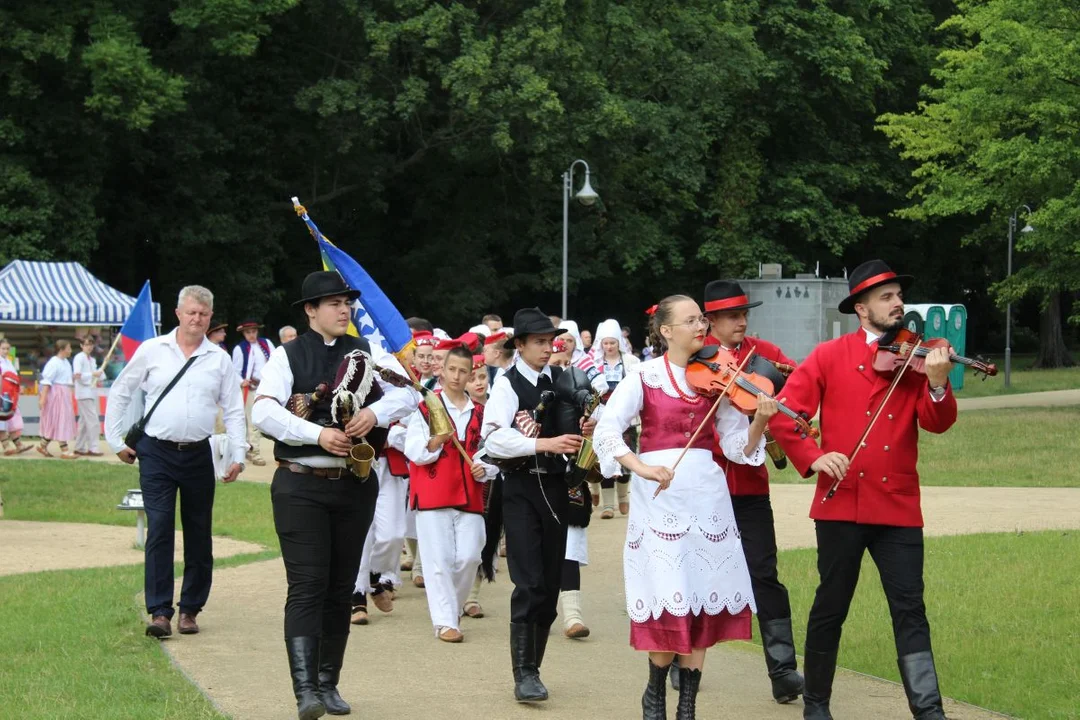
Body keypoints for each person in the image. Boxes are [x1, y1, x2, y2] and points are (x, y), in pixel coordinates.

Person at [769, 260, 957, 720]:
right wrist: (812, 456)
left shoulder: (918, 358)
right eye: (887, 297)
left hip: (898, 506)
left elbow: (937, 423)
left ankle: (929, 710)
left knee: (910, 610)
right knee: (830, 607)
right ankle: (816, 704)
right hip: (841, 505)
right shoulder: (828, 355)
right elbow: (783, 414)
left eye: (898, 295)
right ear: (861, 307)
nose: (898, 304)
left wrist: (936, 384)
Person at [593, 294, 775, 720]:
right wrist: (641, 466)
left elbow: (735, 446)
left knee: (702, 603)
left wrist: (761, 421)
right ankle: (655, 692)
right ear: (666, 330)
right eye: (691, 320)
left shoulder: (719, 378)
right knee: (669, 595)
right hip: (660, 498)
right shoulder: (644, 375)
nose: (701, 327)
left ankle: (687, 707)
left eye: (701, 320)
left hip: (707, 496)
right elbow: (607, 431)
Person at [251, 271, 417, 719]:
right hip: (300, 483)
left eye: (346, 302)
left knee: (341, 586)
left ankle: (329, 684)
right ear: (310, 310)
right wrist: (317, 435)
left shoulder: (366, 352)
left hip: (354, 483)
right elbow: (263, 409)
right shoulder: (287, 356)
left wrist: (373, 412)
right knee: (307, 585)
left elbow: (408, 395)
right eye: (333, 303)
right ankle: (305, 690)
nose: (344, 310)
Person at [104, 286, 247, 638]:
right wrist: (115, 440)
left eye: (203, 313)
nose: (196, 319)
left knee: (199, 532)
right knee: (161, 527)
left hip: (199, 452)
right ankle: (160, 611)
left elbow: (233, 409)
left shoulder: (219, 359)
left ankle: (190, 609)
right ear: (178, 313)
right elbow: (121, 391)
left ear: (210, 317)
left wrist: (239, 454)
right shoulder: (153, 350)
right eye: (191, 312)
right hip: (156, 452)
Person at [701, 279, 804, 703]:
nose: (741, 321)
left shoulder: (765, 355)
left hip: (749, 485)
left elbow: (799, 386)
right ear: (710, 321)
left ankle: (783, 671)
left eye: (744, 314)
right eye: (731, 316)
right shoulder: (695, 356)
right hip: (703, 486)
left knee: (765, 574)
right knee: (697, 574)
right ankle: (679, 659)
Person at [481, 307, 584, 703]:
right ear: (519, 345)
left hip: (557, 488)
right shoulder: (506, 385)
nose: (547, 348)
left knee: (550, 583)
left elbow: (577, 428)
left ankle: (534, 668)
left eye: (550, 341)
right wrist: (543, 443)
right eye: (539, 342)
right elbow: (493, 439)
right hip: (521, 488)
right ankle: (524, 673)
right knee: (528, 582)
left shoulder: (561, 379)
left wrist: (584, 427)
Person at [404, 346, 497, 642]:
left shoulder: (482, 413)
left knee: (470, 557)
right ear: (441, 370)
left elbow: (493, 453)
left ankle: (452, 610)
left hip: (470, 494)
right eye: (452, 369)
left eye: (463, 371)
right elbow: (413, 451)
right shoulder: (425, 408)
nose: (456, 376)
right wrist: (435, 442)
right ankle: (445, 621)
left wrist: (486, 468)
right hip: (433, 493)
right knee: (438, 559)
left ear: (471, 374)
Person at [590, 319, 641, 518]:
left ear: (619, 342)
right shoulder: (593, 363)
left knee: (627, 458)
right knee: (606, 457)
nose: (609, 346)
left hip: (626, 416)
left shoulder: (631, 362)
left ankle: (623, 498)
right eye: (606, 343)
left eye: (612, 342)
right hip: (602, 416)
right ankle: (608, 505)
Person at [232, 319, 275, 467]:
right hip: (250, 388)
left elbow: (275, 362)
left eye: (253, 331)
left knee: (263, 418)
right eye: (248, 332)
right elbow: (235, 370)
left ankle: (250, 448)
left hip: (266, 387)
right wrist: (241, 381)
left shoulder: (266, 344)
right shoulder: (240, 348)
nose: (251, 335)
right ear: (244, 333)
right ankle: (253, 451)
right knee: (251, 420)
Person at [37, 340, 77, 459]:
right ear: (61, 349)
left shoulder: (65, 362)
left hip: (64, 393)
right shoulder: (54, 362)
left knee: (60, 420)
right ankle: (64, 450)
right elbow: (46, 381)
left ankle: (43, 445)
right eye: (68, 348)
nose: (70, 350)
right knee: (59, 419)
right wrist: (43, 398)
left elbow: (67, 379)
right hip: (56, 394)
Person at [72, 336, 104, 456]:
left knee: (84, 422)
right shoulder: (79, 358)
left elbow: (97, 375)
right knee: (93, 421)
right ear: (81, 346)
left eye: (91, 345)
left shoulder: (92, 360)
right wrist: (93, 374)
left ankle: (79, 447)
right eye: (86, 345)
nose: (89, 347)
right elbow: (77, 375)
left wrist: (100, 372)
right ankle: (93, 447)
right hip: (83, 393)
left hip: (90, 392)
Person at [0, 338, 31, 456]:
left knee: (10, 419)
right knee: (1, 421)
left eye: (7, 349)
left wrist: (18, 387)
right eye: (3, 348)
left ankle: (18, 445)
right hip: (1, 394)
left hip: (9, 395)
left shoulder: (8, 361)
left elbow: (14, 377)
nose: (6, 351)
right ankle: (6, 446)